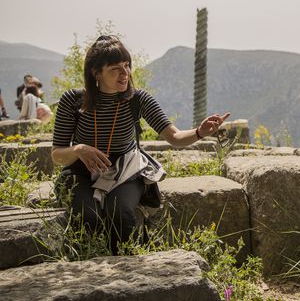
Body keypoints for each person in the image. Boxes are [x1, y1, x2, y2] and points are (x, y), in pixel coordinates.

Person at [51, 35, 230, 254]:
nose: (125, 73)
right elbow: (57, 154)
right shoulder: (73, 100)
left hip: (126, 170)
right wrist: (79, 149)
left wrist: (199, 132)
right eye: (115, 68)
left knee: (121, 214)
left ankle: (125, 268)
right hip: (81, 171)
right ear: (96, 72)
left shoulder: (138, 99)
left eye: (127, 66)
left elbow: (173, 137)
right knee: (88, 217)